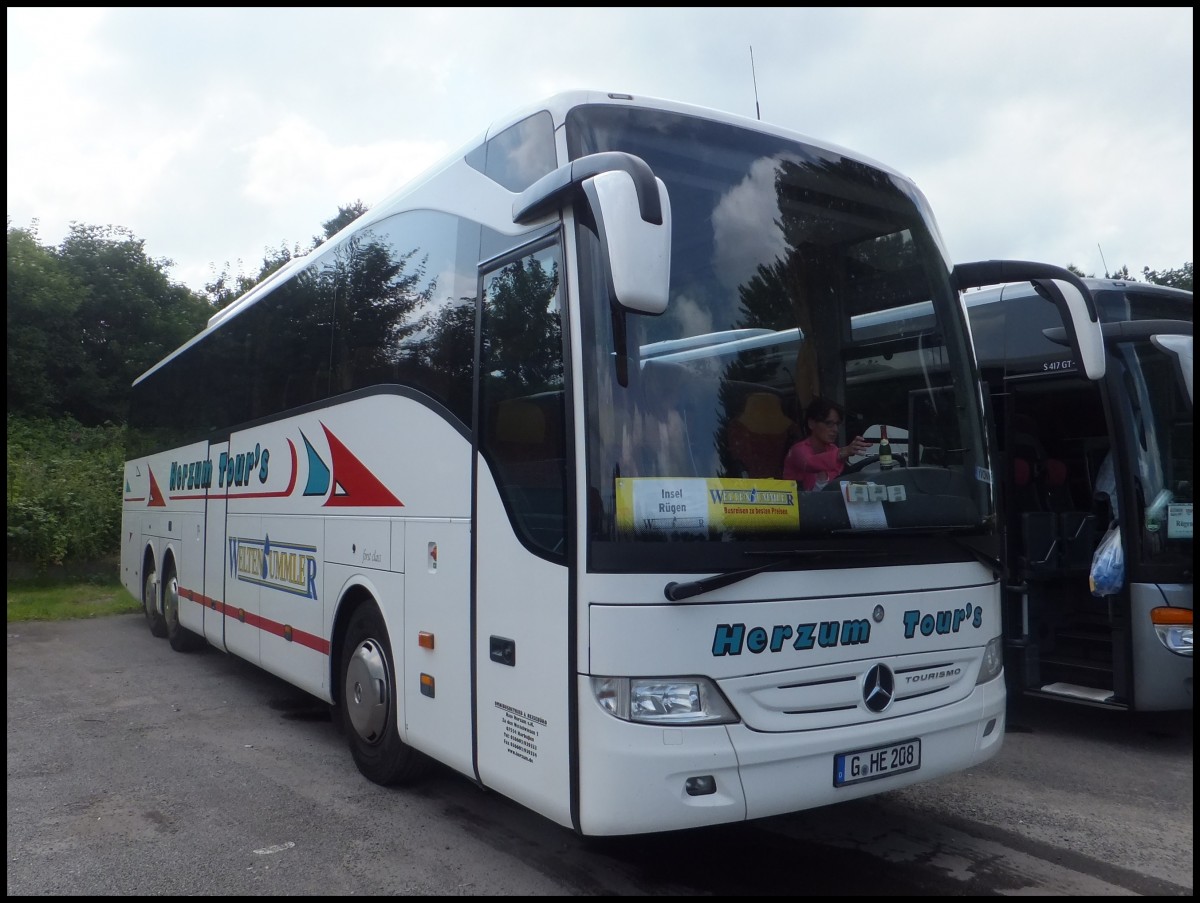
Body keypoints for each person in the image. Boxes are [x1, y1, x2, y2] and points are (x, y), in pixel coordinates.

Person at [782, 397, 870, 490]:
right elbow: (809, 463)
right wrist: (842, 452)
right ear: (811, 424)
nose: (835, 430)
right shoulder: (797, 450)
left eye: (837, 424)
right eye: (829, 423)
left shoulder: (833, 450)